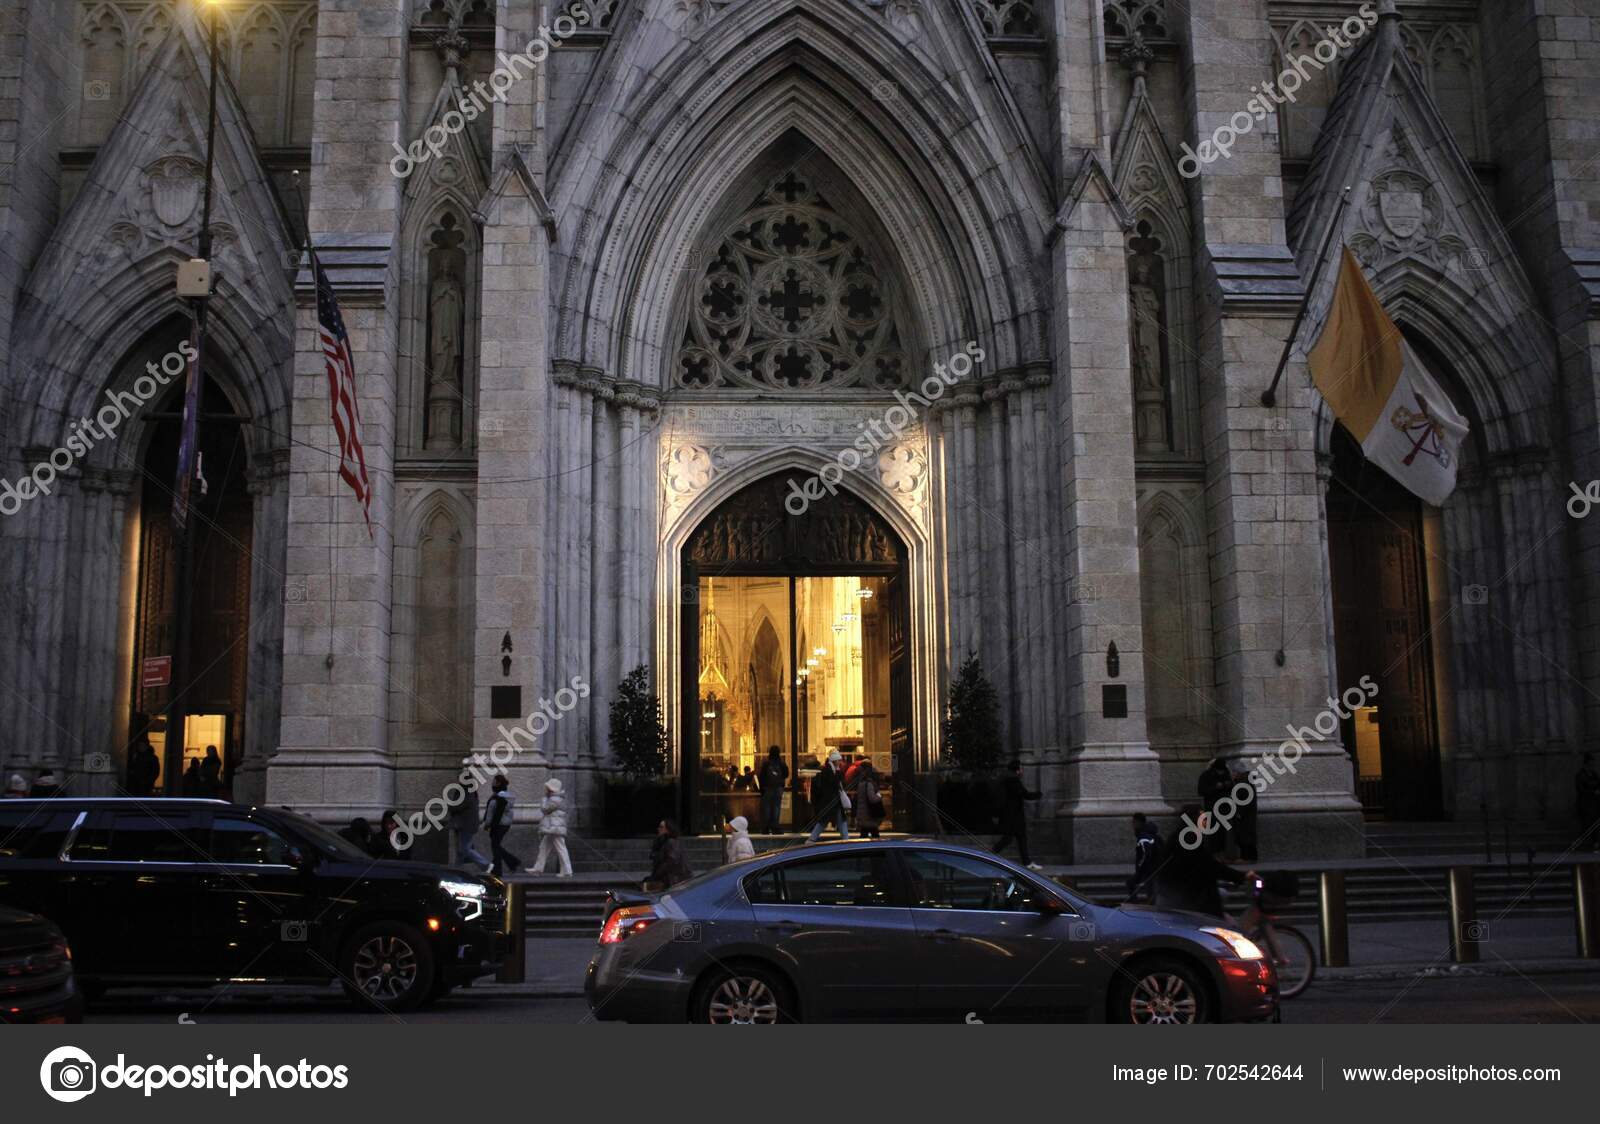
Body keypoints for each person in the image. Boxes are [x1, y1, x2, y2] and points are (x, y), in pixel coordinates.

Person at [1153, 803, 1251, 918]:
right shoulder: (1189, 838)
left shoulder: (1186, 835)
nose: (1206, 821)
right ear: (1194, 818)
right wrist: (1242, 876)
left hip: (1181, 894)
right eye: (1203, 817)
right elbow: (1208, 865)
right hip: (1184, 897)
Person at [993, 759, 1043, 870]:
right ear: (1017, 769)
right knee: (1012, 838)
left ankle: (1027, 862)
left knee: (1017, 838)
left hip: (1011, 814)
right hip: (1013, 815)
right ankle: (990, 854)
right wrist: (1039, 794)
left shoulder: (1007, 779)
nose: (1022, 770)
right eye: (1021, 768)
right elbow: (1024, 794)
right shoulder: (1012, 780)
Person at [529, 777, 573, 876]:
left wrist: (544, 799)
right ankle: (538, 869)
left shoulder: (554, 799)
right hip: (552, 826)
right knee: (544, 847)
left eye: (547, 787)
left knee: (560, 848)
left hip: (554, 827)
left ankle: (567, 871)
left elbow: (545, 809)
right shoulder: (557, 798)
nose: (546, 789)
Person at [806, 749, 850, 842]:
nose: (840, 762)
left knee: (833, 821)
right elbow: (834, 782)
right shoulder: (828, 771)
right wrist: (838, 773)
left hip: (833, 802)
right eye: (838, 760)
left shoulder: (829, 770)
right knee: (828, 821)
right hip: (830, 802)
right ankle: (845, 840)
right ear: (835, 761)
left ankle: (812, 840)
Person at [484, 774, 521, 876]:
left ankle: (501, 868)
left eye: (494, 782)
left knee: (495, 846)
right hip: (506, 824)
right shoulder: (509, 797)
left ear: (497, 784)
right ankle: (508, 864)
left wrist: (487, 824)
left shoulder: (496, 798)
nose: (492, 783)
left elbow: (490, 813)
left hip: (497, 824)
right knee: (496, 846)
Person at [449, 782, 491, 869]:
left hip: (466, 825)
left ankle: (485, 864)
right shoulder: (472, 792)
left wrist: (450, 805)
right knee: (461, 850)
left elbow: (456, 806)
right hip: (468, 824)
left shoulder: (465, 793)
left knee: (465, 849)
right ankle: (457, 869)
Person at [1198, 757, 1234, 855]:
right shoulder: (1206, 775)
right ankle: (1213, 853)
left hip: (1224, 807)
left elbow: (1232, 788)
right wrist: (1215, 787)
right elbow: (1201, 791)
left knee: (1222, 832)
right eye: (1219, 771)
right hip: (1211, 807)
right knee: (1213, 832)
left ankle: (1221, 853)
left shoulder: (1227, 774)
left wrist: (1228, 785)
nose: (1221, 773)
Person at [648, 819, 694, 888]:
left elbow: (671, 861)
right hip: (669, 878)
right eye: (659, 827)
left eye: (661, 827)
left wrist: (657, 874)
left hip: (676, 879)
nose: (658, 829)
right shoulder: (660, 841)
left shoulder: (672, 842)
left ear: (668, 829)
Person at [1128, 813, 1163, 902]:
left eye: (1133, 822)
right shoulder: (1153, 835)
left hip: (1149, 870)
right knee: (1149, 891)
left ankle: (1138, 905)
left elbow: (1145, 854)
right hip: (1153, 869)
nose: (1132, 825)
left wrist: (1140, 868)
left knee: (1149, 891)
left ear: (1138, 822)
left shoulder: (1144, 836)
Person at [1230, 757, 1259, 862]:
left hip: (1244, 814)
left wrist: (1239, 812)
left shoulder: (1244, 784)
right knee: (1245, 834)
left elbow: (1243, 800)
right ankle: (1248, 857)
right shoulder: (1244, 782)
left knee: (1245, 835)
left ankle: (1247, 857)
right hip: (1246, 813)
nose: (1232, 774)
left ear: (1239, 773)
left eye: (1234, 772)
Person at [758, 745, 788, 834]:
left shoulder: (766, 763)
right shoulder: (781, 763)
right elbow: (786, 774)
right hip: (778, 788)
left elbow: (761, 777)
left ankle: (765, 828)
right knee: (776, 808)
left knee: (766, 808)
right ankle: (775, 827)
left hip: (767, 789)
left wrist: (762, 789)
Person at [853, 759, 884, 839]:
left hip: (863, 814)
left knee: (864, 835)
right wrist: (880, 797)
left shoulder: (861, 783)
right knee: (875, 835)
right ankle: (877, 851)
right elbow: (872, 799)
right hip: (869, 815)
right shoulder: (869, 783)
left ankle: (863, 850)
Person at [1577, 752, 1600, 851]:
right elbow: (1580, 789)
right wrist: (1593, 792)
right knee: (1586, 825)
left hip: (1594, 804)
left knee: (1595, 825)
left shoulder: (1594, 774)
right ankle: (1583, 845)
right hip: (1585, 804)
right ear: (1585, 764)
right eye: (1590, 764)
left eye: (1593, 764)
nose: (1592, 766)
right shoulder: (1580, 775)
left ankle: (1595, 844)